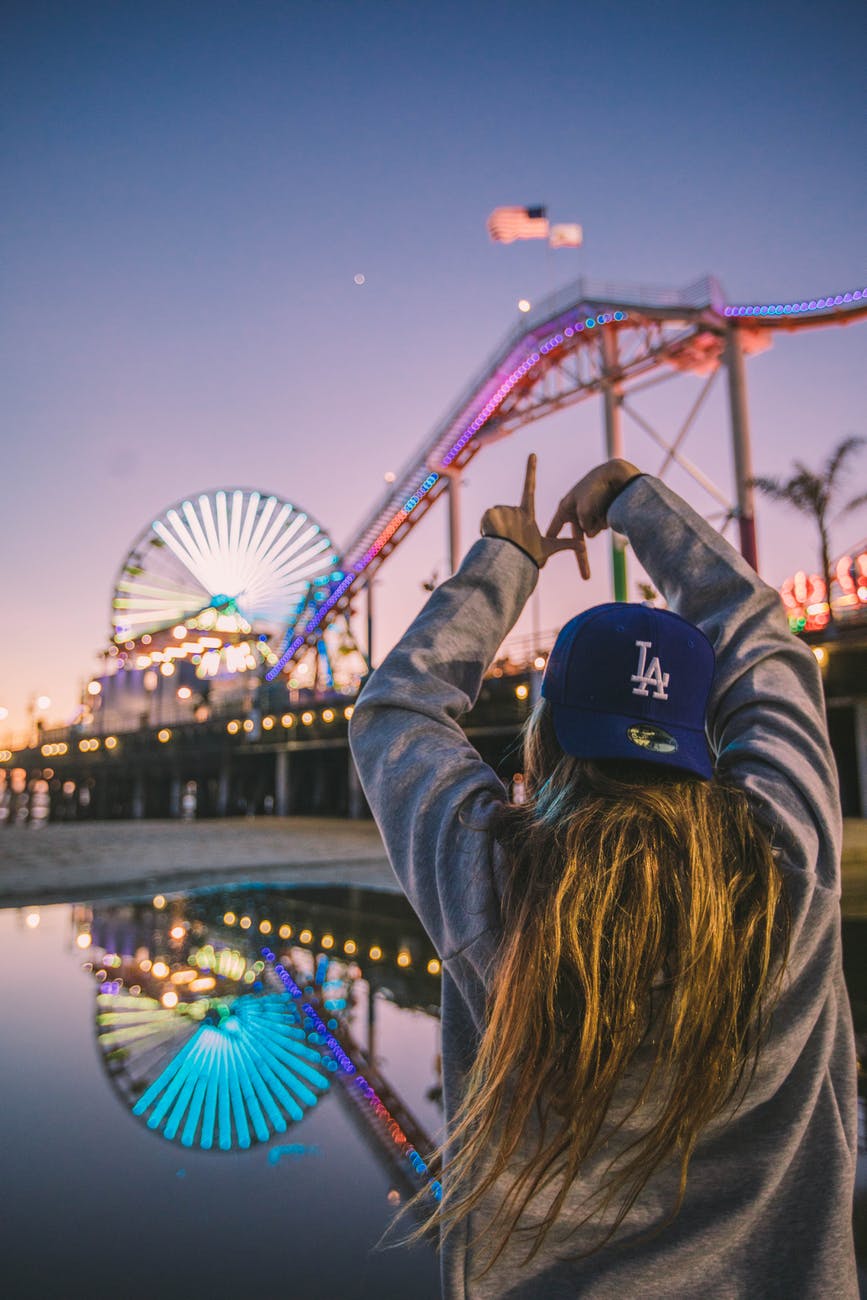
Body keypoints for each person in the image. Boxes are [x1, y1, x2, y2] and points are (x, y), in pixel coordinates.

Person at [349, 456, 858, 1298]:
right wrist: (634, 501)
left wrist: (505, 561)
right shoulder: (787, 865)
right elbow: (765, 642)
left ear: (547, 739)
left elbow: (394, 710)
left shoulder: (495, 878)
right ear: (700, 734)